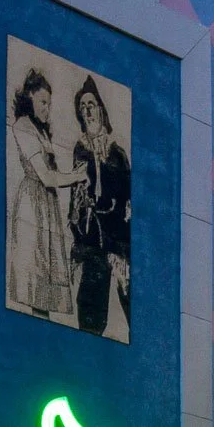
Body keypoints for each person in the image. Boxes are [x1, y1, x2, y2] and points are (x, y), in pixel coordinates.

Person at [8, 69, 86, 318]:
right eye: (43, 102)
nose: (46, 108)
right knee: (36, 278)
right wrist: (76, 176)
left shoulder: (41, 130)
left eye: (49, 104)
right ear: (29, 97)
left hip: (47, 206)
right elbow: (47, 176)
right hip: (33, 205)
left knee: (46, 283)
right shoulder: (22, 126)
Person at [69, 76, 132, 338]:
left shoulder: (117, 152)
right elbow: (76, 199)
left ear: (101, 109)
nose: (87, 111)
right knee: (90, 318)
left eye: (91, 104)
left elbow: (128, 200)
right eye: (82, 107)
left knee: (133, 307)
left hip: (118, 242)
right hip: (93, 241)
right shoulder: (80, 150)